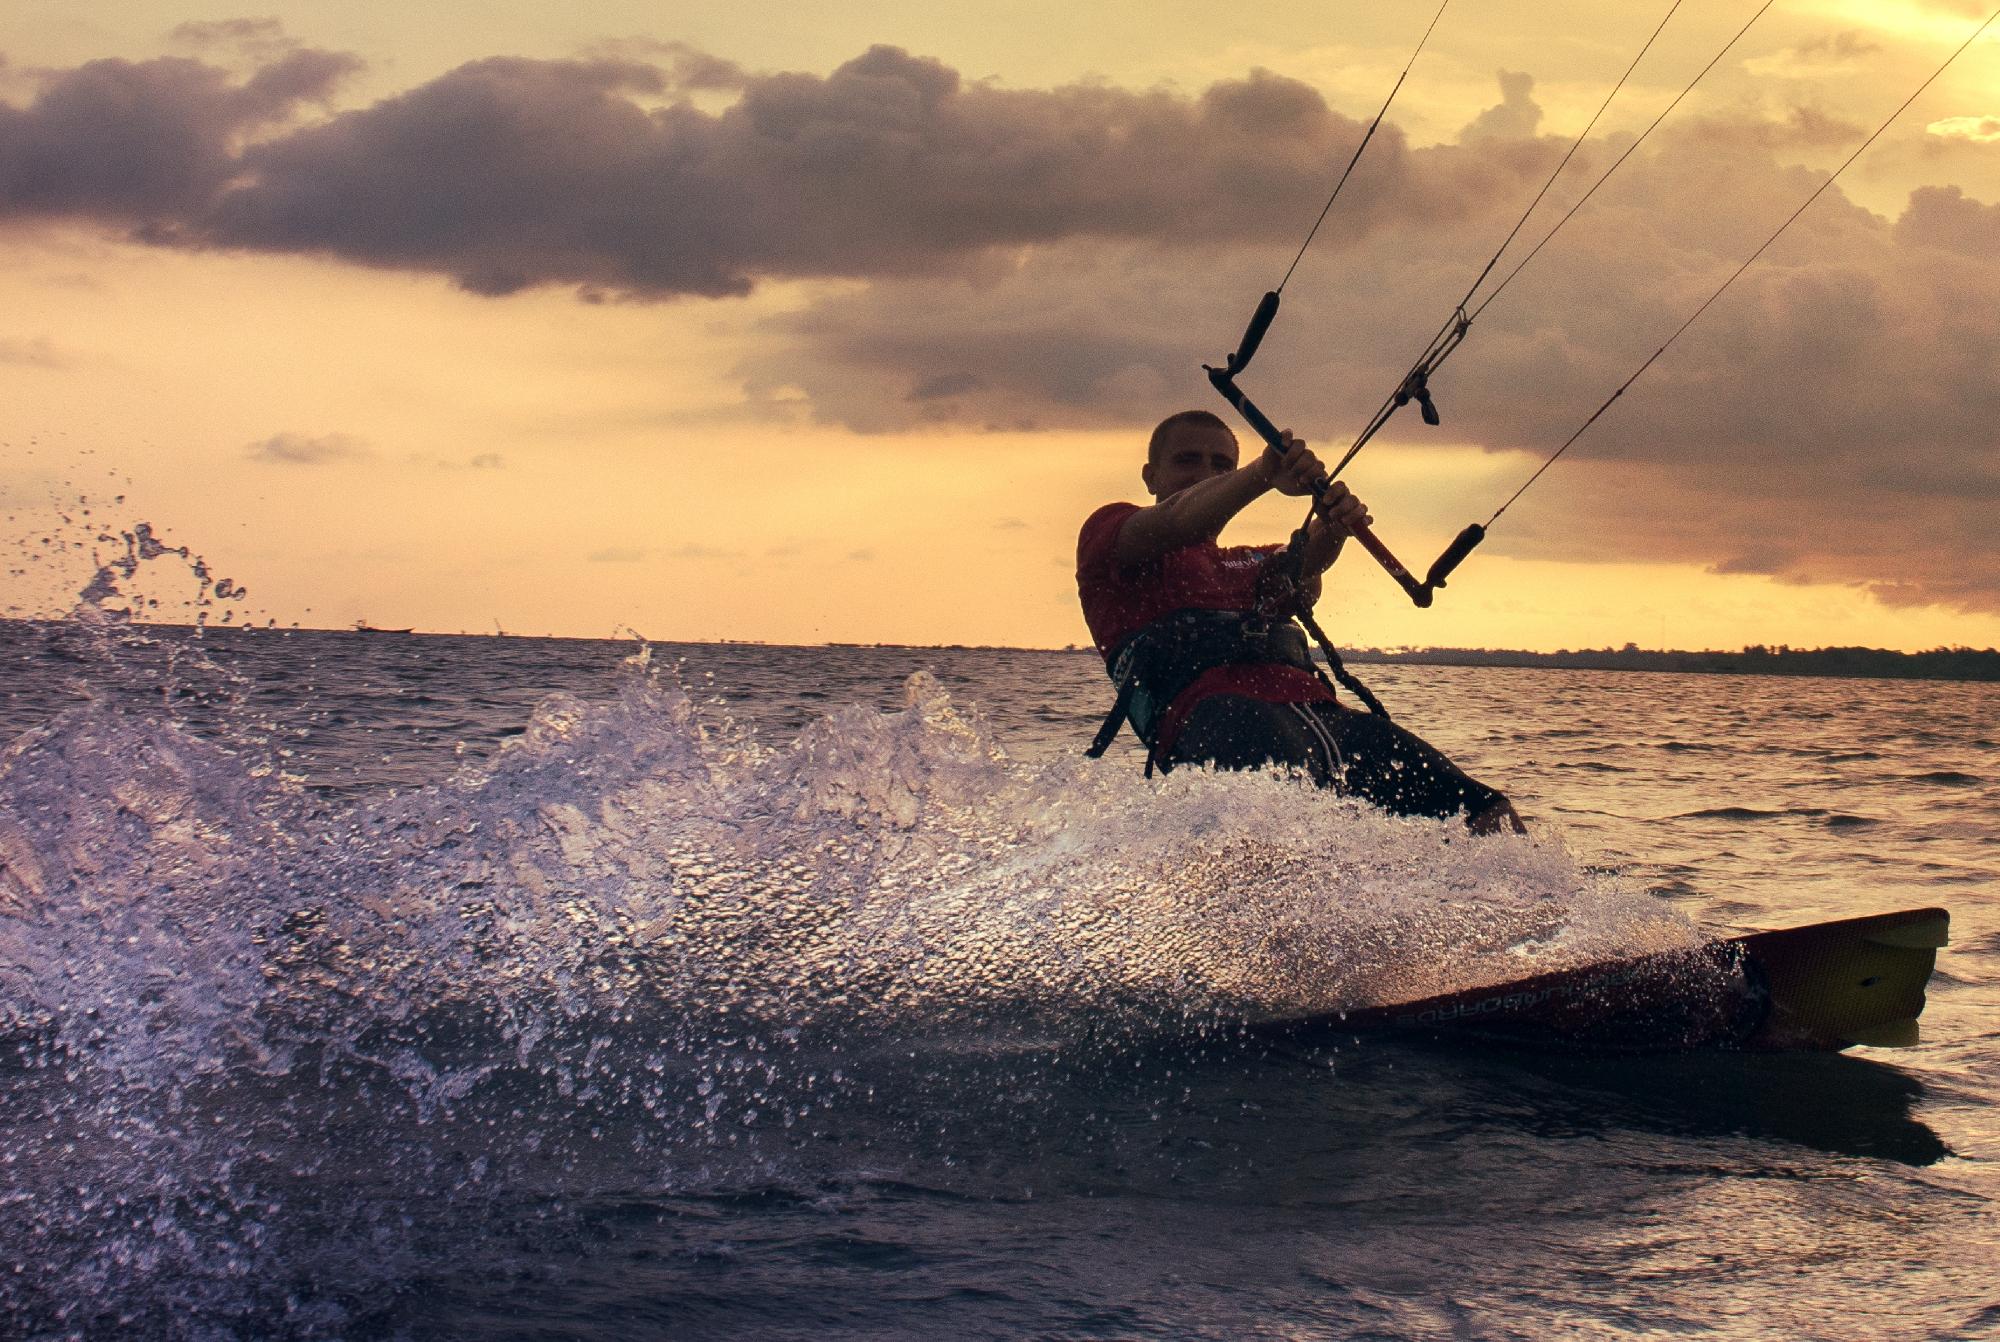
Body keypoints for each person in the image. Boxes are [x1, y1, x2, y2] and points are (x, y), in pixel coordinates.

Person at [1076, 409, 1524, 835]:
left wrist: (1333, 524)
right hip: (1218, 719)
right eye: (1187, 460)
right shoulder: (1112, 535)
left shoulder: (1245, 562)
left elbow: (1305, 576)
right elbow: (1177, 520)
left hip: (1325, 719)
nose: (1207, 473)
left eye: (1222, 465)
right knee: (1301, 816)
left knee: (1487, 813)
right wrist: (1260, 474)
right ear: (1150, 475)